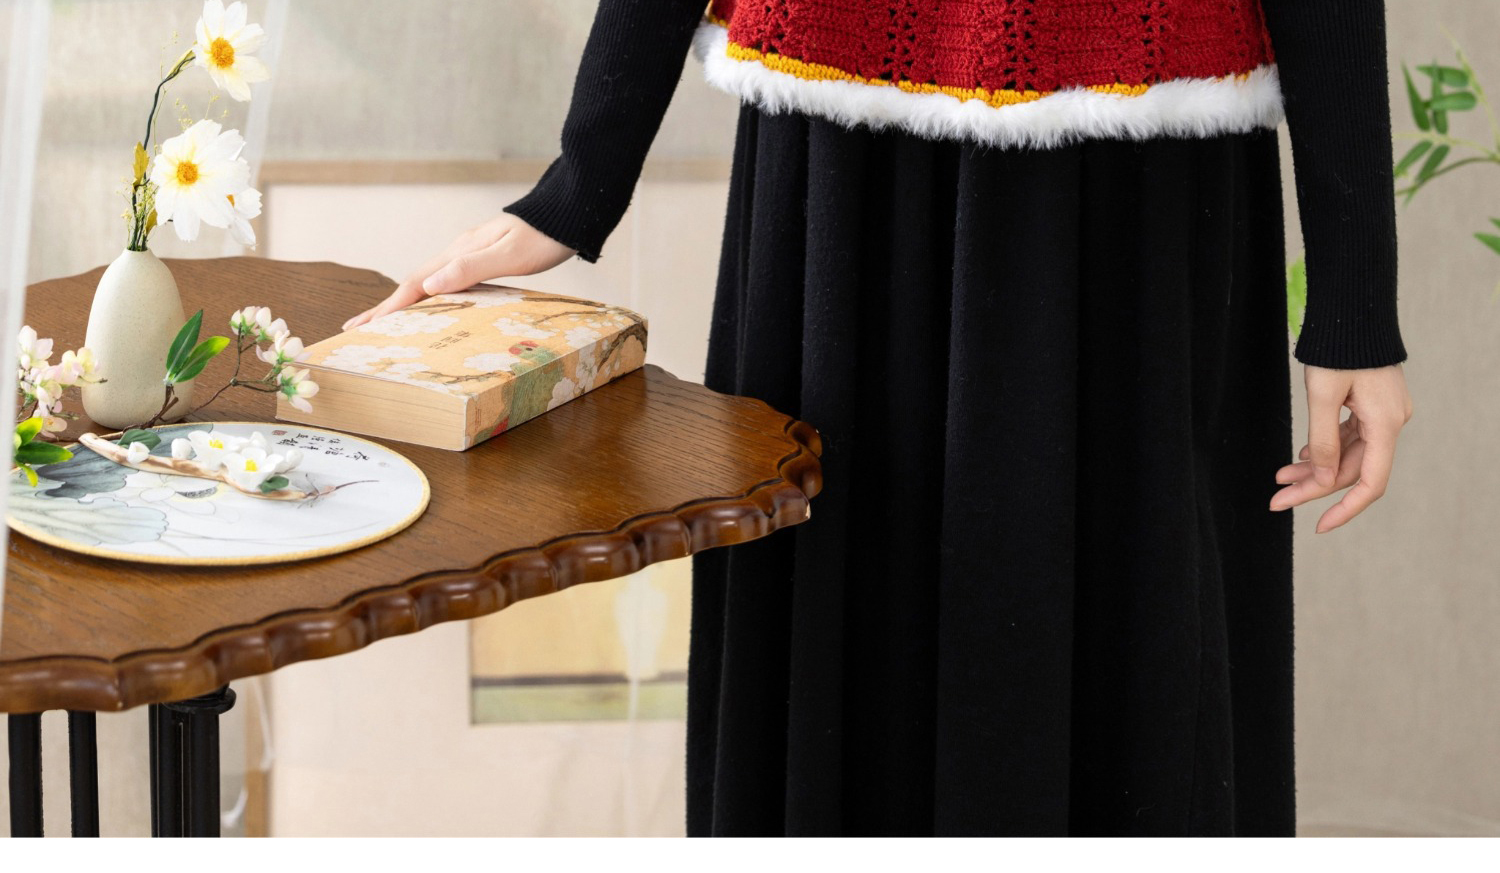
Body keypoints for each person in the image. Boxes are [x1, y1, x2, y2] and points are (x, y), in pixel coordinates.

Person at [346, 0, 1413, 836]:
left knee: (1128, 675)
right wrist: (581, 180)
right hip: (847, 153)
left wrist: (1356, 301)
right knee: (837, 664)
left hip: (1141, 158)